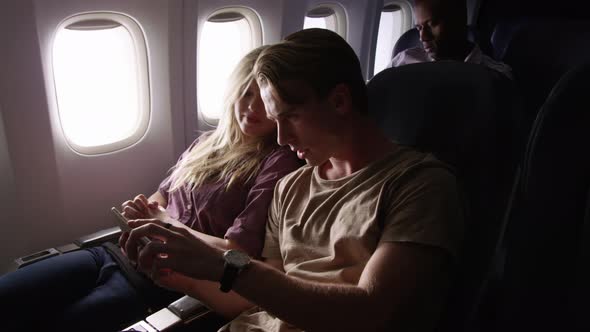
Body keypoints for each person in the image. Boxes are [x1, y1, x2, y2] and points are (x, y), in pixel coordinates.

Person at [124, 28, 464, 332]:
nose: (282, 137)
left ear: (340, 101)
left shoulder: (421, 186)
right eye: (276, 120)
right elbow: (260, 294)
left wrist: (222, 266)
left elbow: (371, 311)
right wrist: (182, 273)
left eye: (292, 117)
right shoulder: (291, 187)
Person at [0, 45, 302, 332]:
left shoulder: (277, 161)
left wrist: (167, 225)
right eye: (245, 93)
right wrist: (144, 211)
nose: (251, 107)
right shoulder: (207, 143)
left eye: (263, 100)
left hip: (161, 282)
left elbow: (239, 252)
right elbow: (164, 196)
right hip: (115, 253)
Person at [388, 0, 512, 79]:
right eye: (419, 28)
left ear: (458, 20)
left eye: (432, 24)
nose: (422, 37)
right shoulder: (402, 62)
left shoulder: (497, 76)